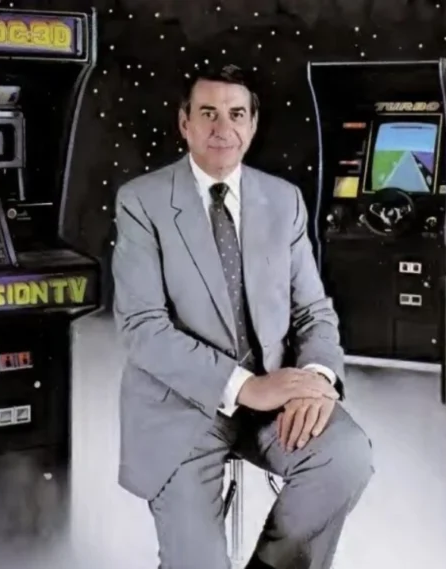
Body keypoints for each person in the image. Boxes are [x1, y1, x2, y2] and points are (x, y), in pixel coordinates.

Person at [112, 64, 374, 569]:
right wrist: (245, 387)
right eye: (208, 113)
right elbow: (144, 329)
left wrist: (316, 379)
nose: (222, 128)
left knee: (345, 457)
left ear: (252, 125)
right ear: (184, 123)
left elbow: (313, 311)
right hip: (182, 404)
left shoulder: (283, 199)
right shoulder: (142, 201)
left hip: (276, 396)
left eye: (236, 114)